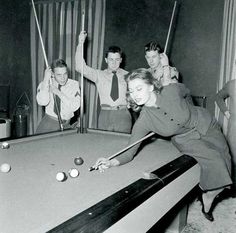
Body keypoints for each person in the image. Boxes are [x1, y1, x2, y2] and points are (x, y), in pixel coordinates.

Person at [95, 68, 232, 222]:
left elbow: (186, 92)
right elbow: (129, 151)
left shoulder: (171, 91)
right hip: (186, 140)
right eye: (131, 91)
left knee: (227, 165)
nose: (135, 94)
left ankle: (208, 192)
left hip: (206, 124)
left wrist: (187, 107)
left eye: (139, 88)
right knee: (218, 166)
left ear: (151, 86)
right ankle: (206, 194)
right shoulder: (144, 120)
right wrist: (111, 162)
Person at [75, 31, 132, 133]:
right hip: (105, 115)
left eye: (116, 59)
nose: (114, 63)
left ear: (121, 60)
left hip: (123, 115)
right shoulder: (99, 75)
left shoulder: (129, 75)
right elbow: (80, 67)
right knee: (105, 146)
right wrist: (80, 44)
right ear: (106, 60)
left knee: (124, 144)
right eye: (111, 59)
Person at [36, 59, 80, 134]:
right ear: (52, 74)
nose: (63, 78)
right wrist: (46, 79)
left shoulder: (74, 84)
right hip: (49, 124)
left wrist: (58, 92)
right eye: (59, 75)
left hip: (66, 125)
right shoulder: (45, 84)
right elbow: (42, 102)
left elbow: (75, 106)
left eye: (65, 74)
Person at [215, 79, 236, 196]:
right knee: (233, 159)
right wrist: (227, 112)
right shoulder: (232, 84)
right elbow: (218, 97)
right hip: (235, 129)